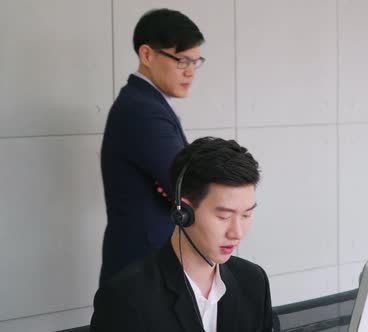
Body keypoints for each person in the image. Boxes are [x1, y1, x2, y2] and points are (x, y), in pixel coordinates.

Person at [90, 137, 273, 332]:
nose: (237, 233)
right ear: (183, 212)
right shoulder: (126, 297)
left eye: (246, 214)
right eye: (224, 216)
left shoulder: (253, 281)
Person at [99, 8, 206, 285]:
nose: (191, 72)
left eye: (196, 62)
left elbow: (178, 180)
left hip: (148, 256)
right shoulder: (142, 110)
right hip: (143, 261)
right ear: (147, 55)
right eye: (182, 61)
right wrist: (180, 184)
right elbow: (186, 186)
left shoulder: (147, 103)